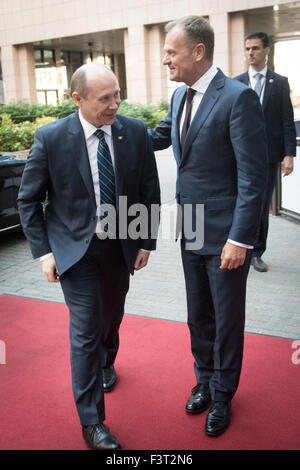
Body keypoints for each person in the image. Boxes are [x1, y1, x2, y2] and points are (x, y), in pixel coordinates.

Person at [17, 63, 160, 450]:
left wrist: (145, 242)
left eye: (117, 95)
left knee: (111, 316)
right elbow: (28, 200)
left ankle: (107, 360)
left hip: (120, 245)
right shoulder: (51, 138)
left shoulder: (134, 133)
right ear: (77, 99)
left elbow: (149, 189)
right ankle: (93, 423)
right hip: (73, 251)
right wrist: (44, 252)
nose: (115, 104)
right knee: (84, 330)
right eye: (104, 98)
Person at [149, 16, 267, 437]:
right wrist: (112, 131)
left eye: (171, 51)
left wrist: (241, 238)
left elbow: (254, 177)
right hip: (192, 225)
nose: (165, 59)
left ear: (198, 52)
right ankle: (203, 378)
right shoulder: (180, 96)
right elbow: (161, 136)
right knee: (198, 314)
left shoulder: (237, 98)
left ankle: (222, 394)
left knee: (226, 317)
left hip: (226, 235)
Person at [235, 32, 297, 272]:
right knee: (241, 202)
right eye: (248, 48)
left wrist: (288, 154)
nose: (251, 53)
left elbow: (286, 121)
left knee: (261, 206)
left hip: (269, 157)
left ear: (267, 51)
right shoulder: (237, 82)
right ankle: (240, 246)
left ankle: (257, 253)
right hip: (241, 157)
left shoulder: (279, 82)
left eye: (256, 48)